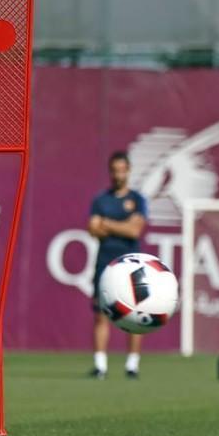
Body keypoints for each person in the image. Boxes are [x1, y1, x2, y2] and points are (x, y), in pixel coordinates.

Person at [88, 151, 148, 379]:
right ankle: (100, 365)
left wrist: (107, 223)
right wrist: (121, 225)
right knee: (101, 315)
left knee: (134, 315)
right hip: (105, 262)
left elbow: (134, 230)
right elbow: (93, 229)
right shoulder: (101, 200)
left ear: (128, 170)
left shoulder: (137, 199)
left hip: (131, 263)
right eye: (114, 170)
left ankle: (132, 365)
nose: (117, 175)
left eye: (121, 170)